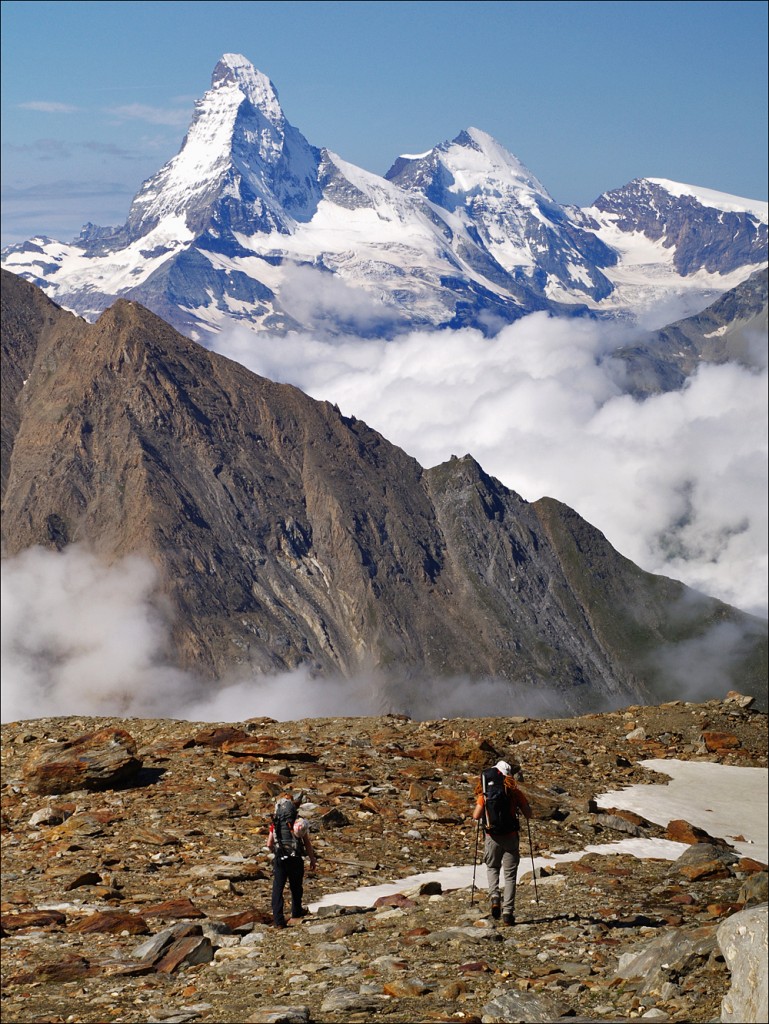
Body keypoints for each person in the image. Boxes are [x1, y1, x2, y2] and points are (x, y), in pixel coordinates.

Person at [472, 759, 531, 925]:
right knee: (510, 876)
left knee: (492, 867)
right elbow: (528, 814)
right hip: (511, 836)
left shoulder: (486, 793)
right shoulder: (514, 792)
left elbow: (476, 816)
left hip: (492, 837)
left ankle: (495, 897)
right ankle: (507, 913)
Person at [267, 794, 317, 928]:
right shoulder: (298, 822)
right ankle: (296, 914)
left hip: (280, 858)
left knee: (278, 889)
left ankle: (278, 921)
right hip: (296, 858)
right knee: (296, 888)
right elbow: (306, 843)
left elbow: (269, 843)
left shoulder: (275, 823)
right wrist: (312, 859)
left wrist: (275, 851)